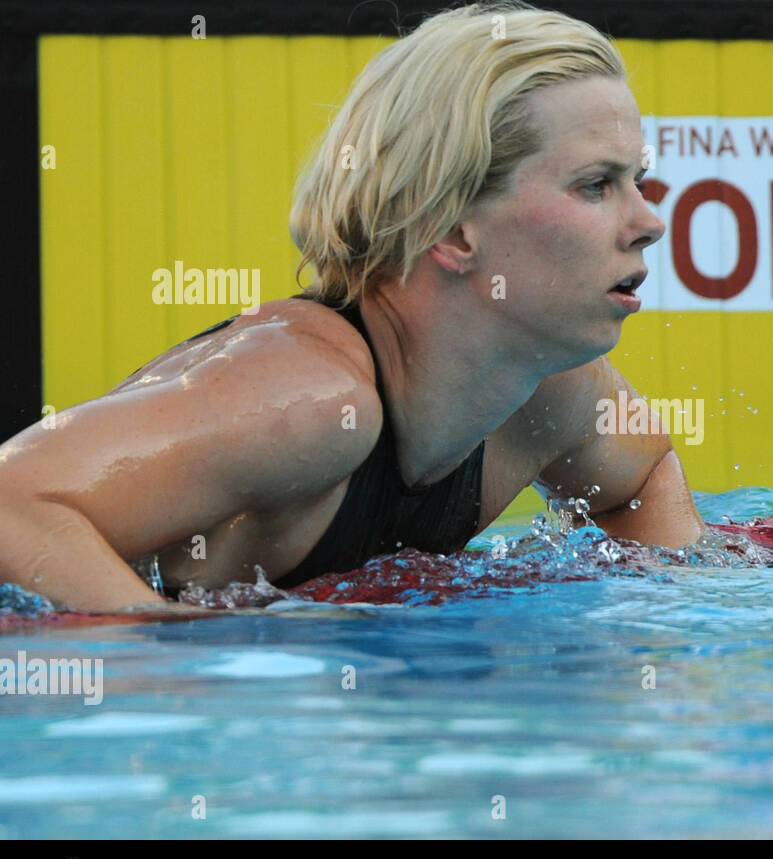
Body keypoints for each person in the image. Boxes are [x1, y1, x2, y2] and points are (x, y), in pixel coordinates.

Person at [0, 1, 706, 612]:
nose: (650, 220)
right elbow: (11, 502)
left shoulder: (550, 400)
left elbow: (642, 478)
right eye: (595, 185)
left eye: (638, 180)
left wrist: (650, 615)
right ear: (455, 229)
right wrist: (180, 656)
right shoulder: (306, 396)